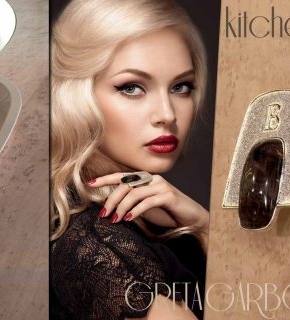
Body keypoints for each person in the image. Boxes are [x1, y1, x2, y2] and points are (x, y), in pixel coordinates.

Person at [50, 0, 211, 319]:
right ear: (76, 96)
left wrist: (204, 227)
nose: (167, 115)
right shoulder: (99, 250)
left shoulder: (132, 204)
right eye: (132, 88)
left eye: (181, 87)